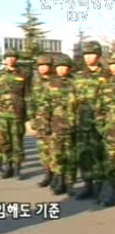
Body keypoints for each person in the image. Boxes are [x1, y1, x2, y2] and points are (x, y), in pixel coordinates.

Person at [74, 41, 110, 200]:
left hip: (101, 122)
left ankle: (100, 185)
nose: (89, 58)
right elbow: (72, 99)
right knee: (83, 154)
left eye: (92, 54)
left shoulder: (107, 75)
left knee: (99, 154)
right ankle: (87, 185)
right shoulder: (79, 76)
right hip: (82, 121)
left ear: (99, 55)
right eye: (86, 55)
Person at [43, 55, 77, 195]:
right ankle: (59, 179)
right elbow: (45, 106)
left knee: (71, 155)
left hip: (72, 125)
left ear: (69, 68)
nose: (62, 69)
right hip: (56, 125)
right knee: (57, 154)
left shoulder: (75, 83)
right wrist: (45, 123)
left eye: (65, 67)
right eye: (59, 67)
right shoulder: (50, 84)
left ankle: (70, 183)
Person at [0, 50, 30, 180]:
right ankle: (8, 166)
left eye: (13, 57)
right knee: (4, 141)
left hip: (17, 113)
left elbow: (27, 94)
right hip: (2, 114)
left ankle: (17, 168)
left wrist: (28, 113)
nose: (10, 59)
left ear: (16, 59)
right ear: (5, 60)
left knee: (17, 141)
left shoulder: (24, 74)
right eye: (8, 57)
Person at [28, 55, 54, 187]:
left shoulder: (56, 81)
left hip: (56, 122)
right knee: (43, 150)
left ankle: (58, 176)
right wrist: (32, 118)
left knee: (56, 150)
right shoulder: (36, 81)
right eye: (40, 66)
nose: (42, 68)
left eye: (45, 65)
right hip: (40, 122)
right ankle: (48, 174)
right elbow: (31, 101)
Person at [94, 53, 115, 206]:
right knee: (110, 161)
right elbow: (99, 109)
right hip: (111, 132)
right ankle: (110, 192)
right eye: (113, 64)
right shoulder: (106, 85)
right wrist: (102, 126)